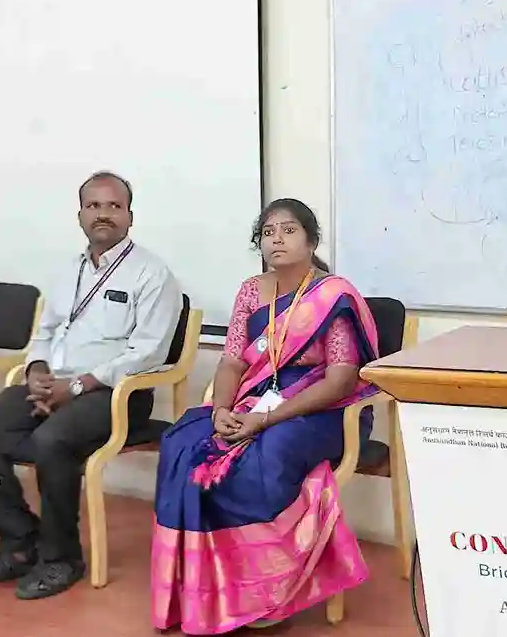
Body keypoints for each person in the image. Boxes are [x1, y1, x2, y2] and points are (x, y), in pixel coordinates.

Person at [150, 198, 383, 634]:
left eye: (289, 230)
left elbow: (340, 380)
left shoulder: (332, 295)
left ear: (312, 240)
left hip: (320, 409)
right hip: (254, 398)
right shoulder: (251, 291)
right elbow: (233, 363)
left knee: (265, 453)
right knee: (183, 442)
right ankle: (211, 589)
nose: (276, 239)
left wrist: (266, 421)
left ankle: (265, 591)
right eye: (268, 232)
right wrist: (220, 409)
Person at [0, 171, 183, 600]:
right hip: (56, 384)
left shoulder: (152, 274)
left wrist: (77, 387)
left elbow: (148, 353)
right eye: (94, 206)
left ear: (130, 217)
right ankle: (21, 541)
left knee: (51, 439)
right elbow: (45, 331)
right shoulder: (68, 270)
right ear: (80, 215)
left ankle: (61, 559)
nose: (103, 214)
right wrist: (38, 370)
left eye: (114, 206)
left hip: (116, 393)